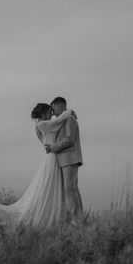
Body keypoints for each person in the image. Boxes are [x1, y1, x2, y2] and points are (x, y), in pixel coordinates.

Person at [0, 104, 74, 230]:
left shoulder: (44, 126)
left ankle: (57, 217)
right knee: (49, 187)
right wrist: (70, 111)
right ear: (44, 114)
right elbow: (60, 120)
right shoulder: (42, 125)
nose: (51, 114)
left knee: (50, 188)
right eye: (49, 112)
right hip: (52, 158)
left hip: (52, 157)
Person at [44, 97, 83, 226]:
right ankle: (78, 219)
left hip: (70, 158)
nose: (53, 112)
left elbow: (69, 139)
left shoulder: (69, 119)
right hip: (66, 159)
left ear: (61, 106)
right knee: (72, 188)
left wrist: (52, 148)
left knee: (69, 189)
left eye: (54, 108)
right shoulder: (66, 119)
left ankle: (76, 220)